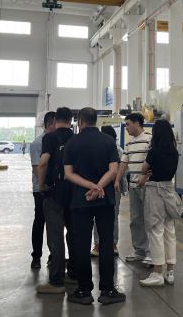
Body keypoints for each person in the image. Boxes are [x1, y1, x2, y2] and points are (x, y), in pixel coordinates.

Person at [64, 107, 125, 306]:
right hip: (104, 199)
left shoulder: (72, 143)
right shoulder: (108, 142)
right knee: (106, 243)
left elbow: (68, 174)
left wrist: (90, 186)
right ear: (95, 121)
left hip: (81, 200)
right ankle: (107, 290)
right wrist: (99, 186)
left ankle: (84, 290)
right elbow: (113, 170)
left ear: (80, 122)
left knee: (81, 244)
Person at [35, 107, 75, 295]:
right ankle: (74, 274)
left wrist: (41, 185)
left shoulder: (50, 138)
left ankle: (56, 281)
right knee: (74, 234)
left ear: (55, 120)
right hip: (74, 193)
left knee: (55, 235)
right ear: (71, 120)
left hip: (54, 193)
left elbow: (43, 162)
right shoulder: (76, 138)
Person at [137, 119, 180, 287]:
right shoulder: (174, 152)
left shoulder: (154, 151)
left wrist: (146, 172)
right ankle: (170, 272)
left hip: (155, 190)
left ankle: (157, 273)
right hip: (169, 189)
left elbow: (143, 169)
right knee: (170, 230)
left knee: (156, 230)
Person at [116, 112, 152, 264]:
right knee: (135, 220)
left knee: (149, 220)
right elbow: (124, 163)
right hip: (133, 187)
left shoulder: (150, 139)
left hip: (147, 186)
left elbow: (154, 161)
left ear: (137, 123)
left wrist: (146, 177)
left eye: (128, 124)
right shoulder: (129, 143)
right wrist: (117, 180)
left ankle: (151, 253)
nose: (126, 128)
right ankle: (139, 250)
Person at [91, 125, 126, 257]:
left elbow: (122, 170)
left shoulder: (118, 150)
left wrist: (116, 181)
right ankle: (99, 244)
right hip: (100, 186)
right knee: (100, 215)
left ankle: (111, 244)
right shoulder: (98, 148)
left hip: (113, 187)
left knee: (112, 216)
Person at [29, 111, 55, 270]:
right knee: (40, 221)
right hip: (40, 190)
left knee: (54, 224)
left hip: (54, 189)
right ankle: (36, 256)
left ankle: (53, 255)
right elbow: (36, 168)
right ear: (50, 124)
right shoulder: (37, 143)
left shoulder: (56, 141)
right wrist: (43, 185)